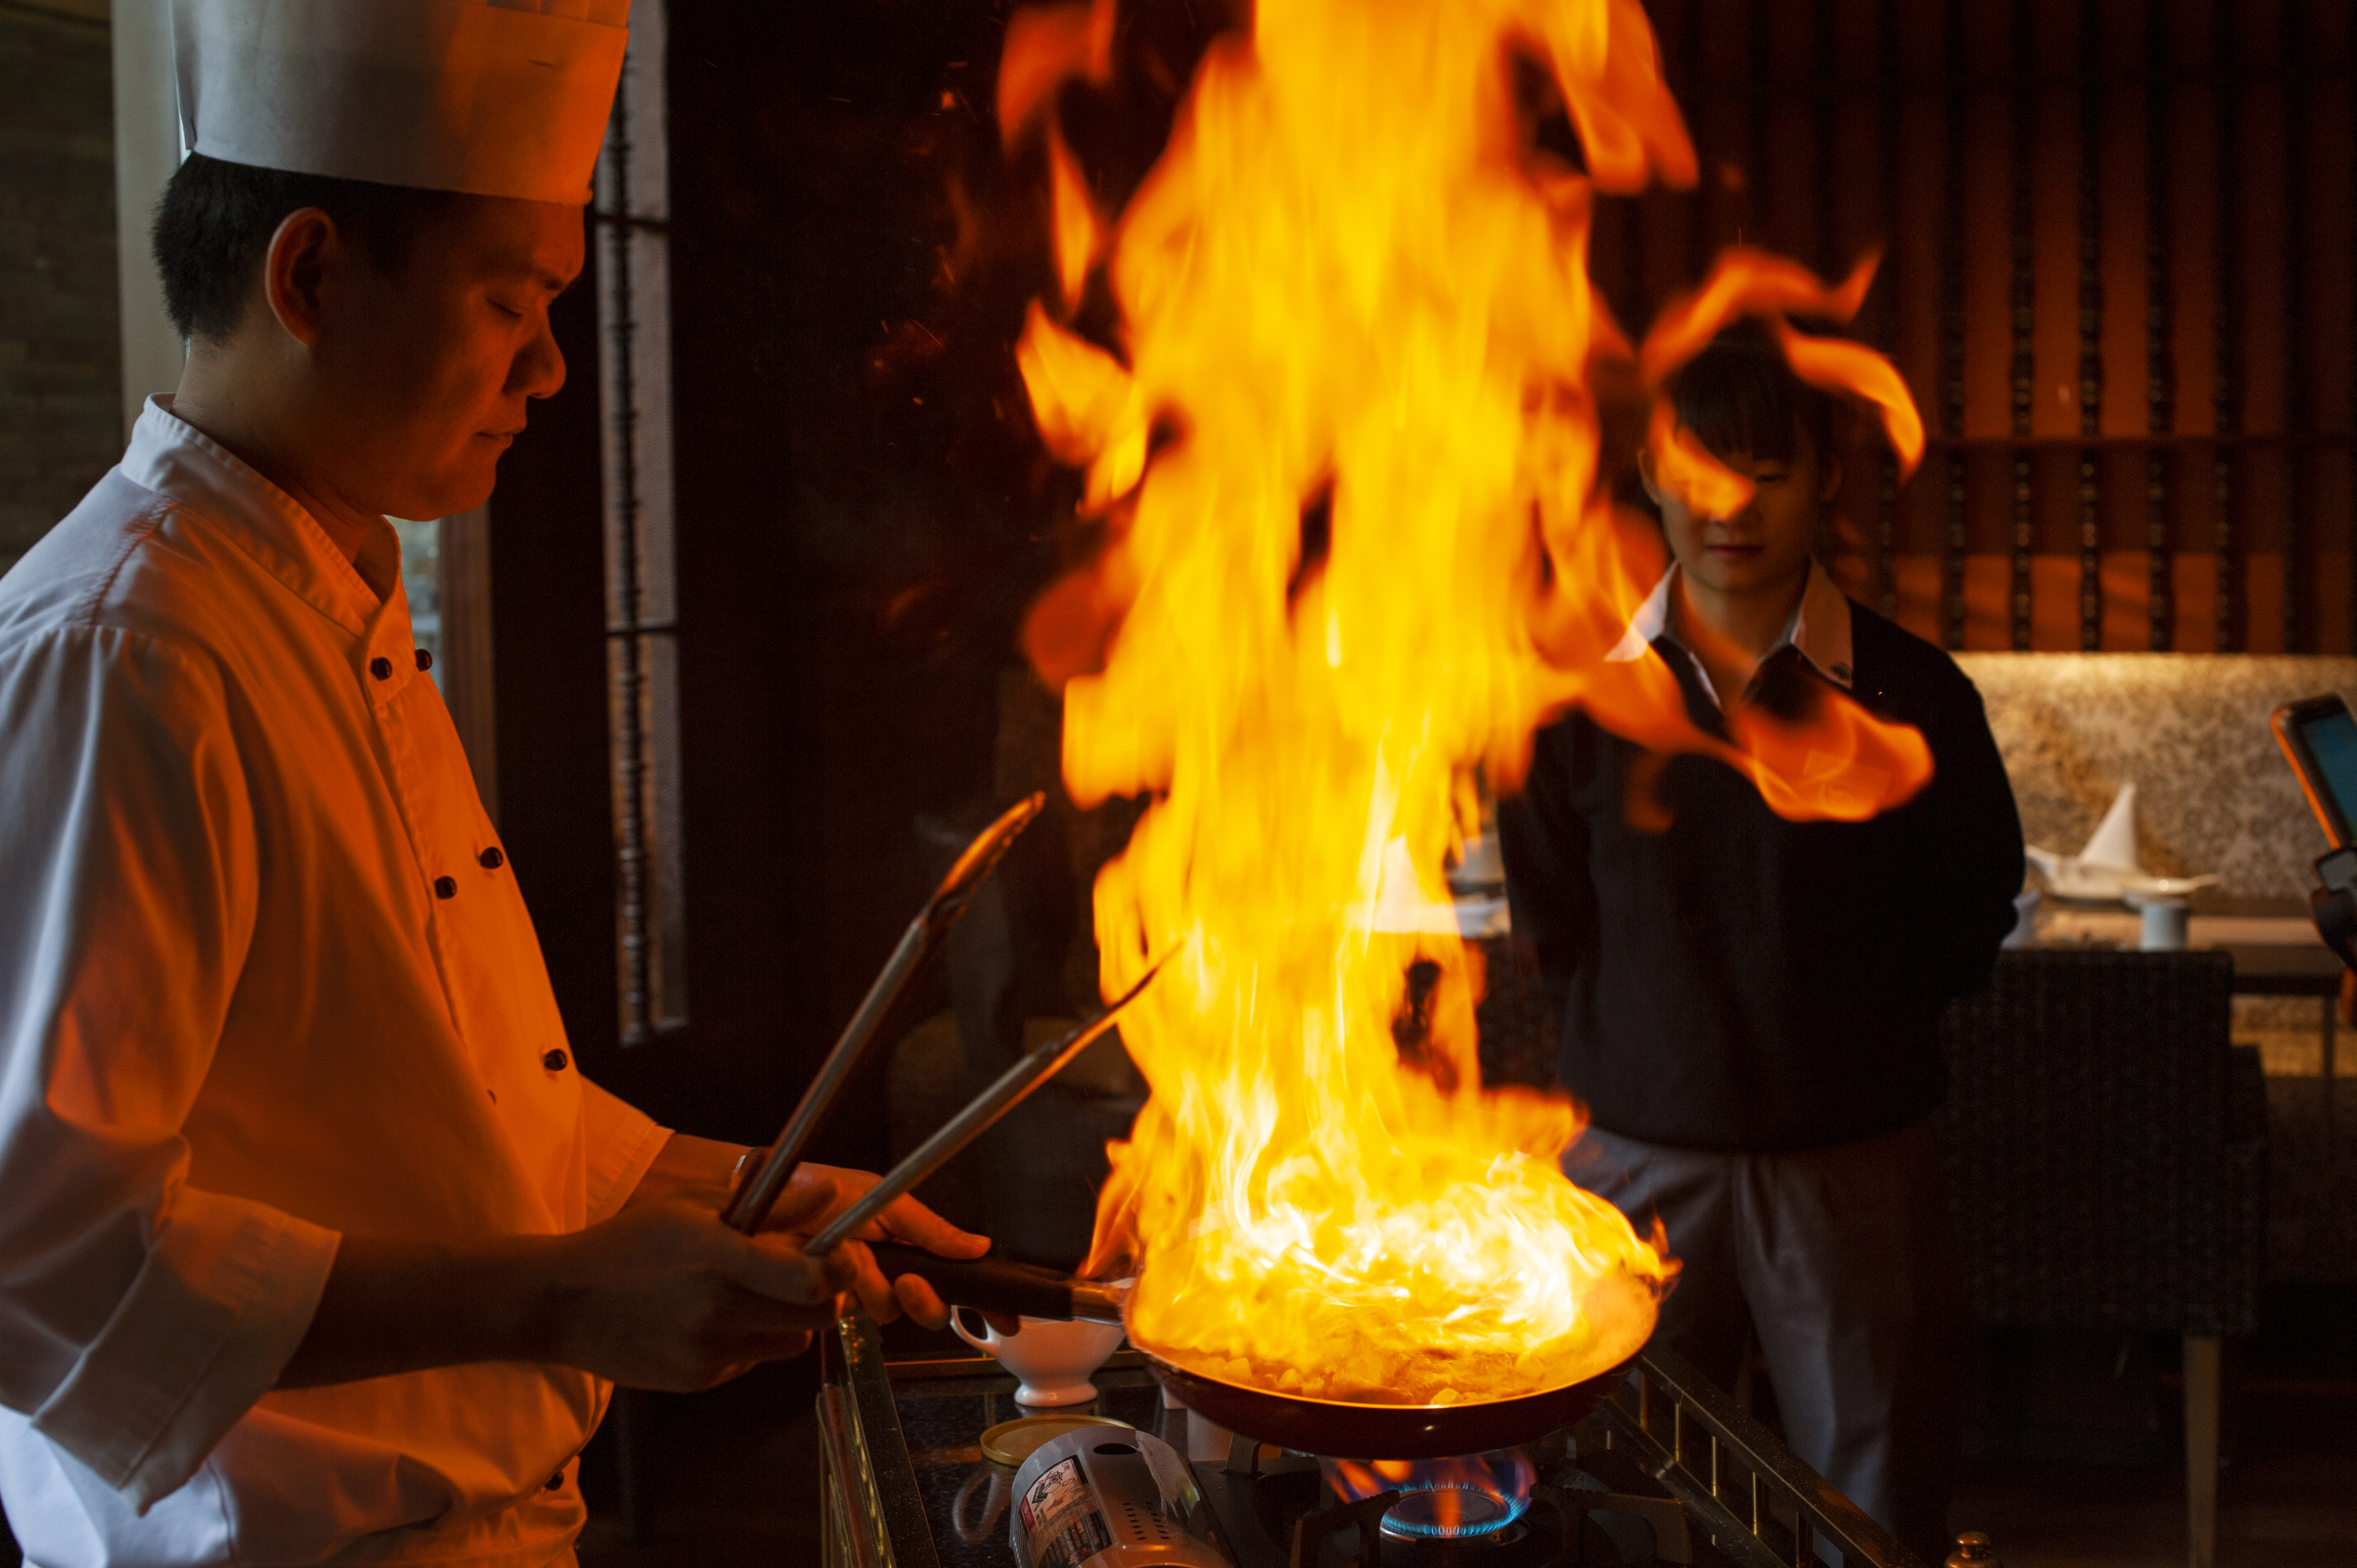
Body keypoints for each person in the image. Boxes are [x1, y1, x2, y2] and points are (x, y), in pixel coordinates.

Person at [0, 3, 996, 1562]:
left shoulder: (328, 593)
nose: (544, 366)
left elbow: (430, 1112)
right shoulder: (129, 651)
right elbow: (36, 1252)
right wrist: (567, 1293)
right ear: (313, 276)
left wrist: (739, 1184)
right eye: (510, 300)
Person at [1499, 326, 2024, 1562]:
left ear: (1825, 480)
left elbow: (1971, 910)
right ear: (1648, 472)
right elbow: (1551, 918)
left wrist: (1850, 1039)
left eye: (1767, 470)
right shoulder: (1577, 697)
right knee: (1613, 1491)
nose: (1728, 506)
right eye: (1699, 466)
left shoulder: (1910, 695)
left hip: (1849, 1171)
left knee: (1872, 1497)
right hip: (1631, 1169)